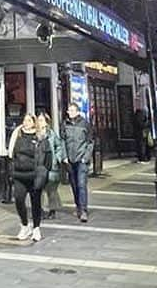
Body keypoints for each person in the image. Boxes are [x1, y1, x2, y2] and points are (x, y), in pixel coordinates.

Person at [9, 113, 52, 241]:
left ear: (34, 123)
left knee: (35, 203)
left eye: (29, 120)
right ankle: (25, 225)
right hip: (19, 174)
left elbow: (48, 157)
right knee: (19, 200)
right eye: (24, 120)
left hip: (35, 175)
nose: (25, 122)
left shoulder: (40, 138)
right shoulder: (17, 135)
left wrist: (44, 172)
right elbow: (12, 154)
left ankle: (36, 228)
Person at [61, 101, 94, 222]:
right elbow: (62, 140)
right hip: (70, 159)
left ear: (78, 111)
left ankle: (84, 210)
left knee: (81, 184)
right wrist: (64, 156)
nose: (70, 113)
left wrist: (86, 157)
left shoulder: (85, 124)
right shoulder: (65, 124)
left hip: (81, 159)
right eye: (69, 110)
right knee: (74, 185)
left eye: (72, 110)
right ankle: (78, 206)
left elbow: (90, 142)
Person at [36, 112, 65, 218]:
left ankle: (52, 210)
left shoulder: (51, 134)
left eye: (42, 120)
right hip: (39, 166)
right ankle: (40, 210)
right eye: (38, 120)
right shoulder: (35, 134)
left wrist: (57, 158)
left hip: (51, 166)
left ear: (47, 122)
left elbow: (59, 146)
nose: (39, 122)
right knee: (39, 189)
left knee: (51, 189)